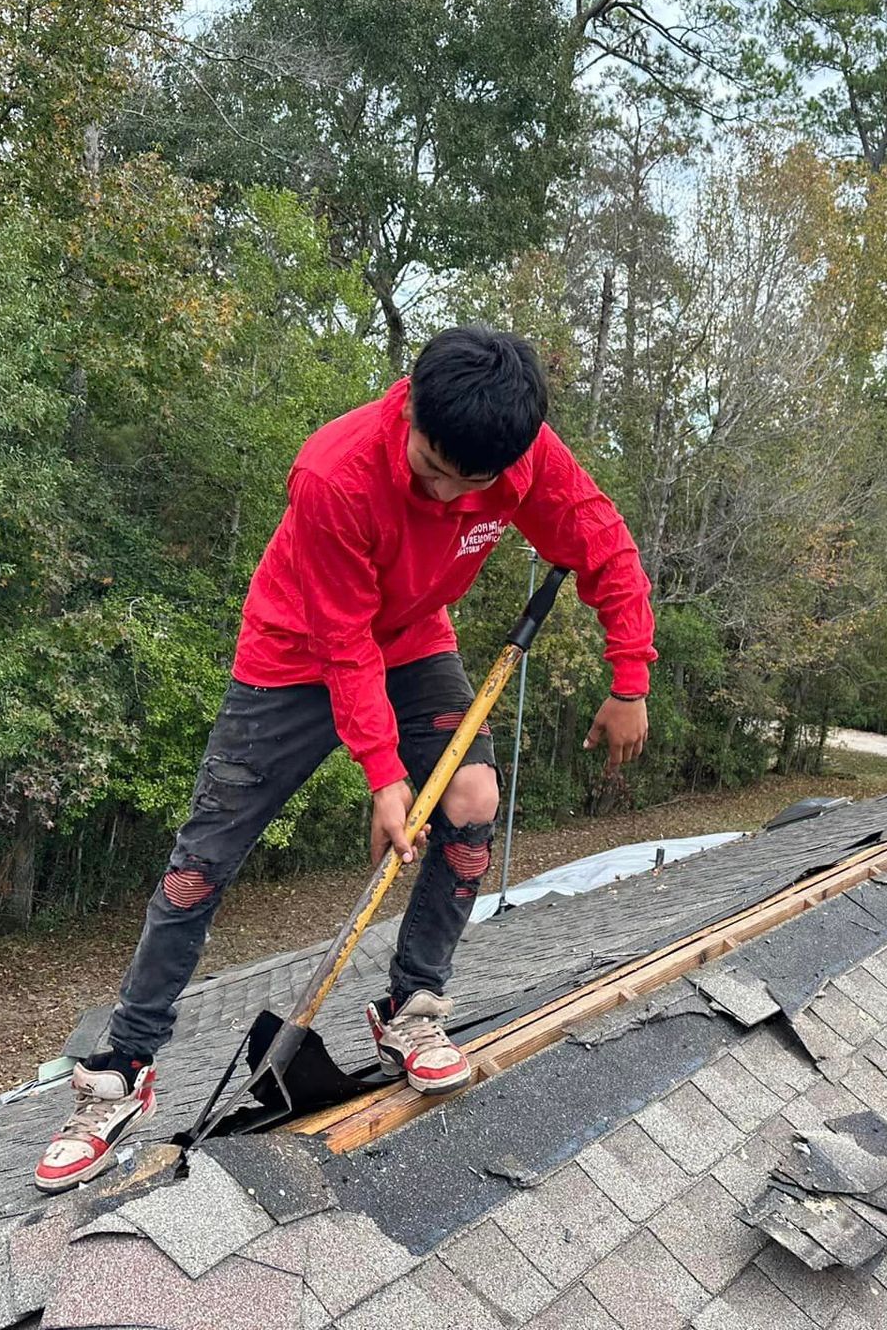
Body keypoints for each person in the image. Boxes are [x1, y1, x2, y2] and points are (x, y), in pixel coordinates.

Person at [35, 327, 657, 1192]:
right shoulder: (335, 471)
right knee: (200, 865)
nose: (443, 494)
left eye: (467, 486)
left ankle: (414, 1006)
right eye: (431, 467)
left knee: (474, 795)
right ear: (411, 404)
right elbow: (342, 640)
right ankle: (122, 1069)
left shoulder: (524, 458)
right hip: (292, 656)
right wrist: (385, 775)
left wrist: (629, 678)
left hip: (413, 646)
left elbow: (605, 544)